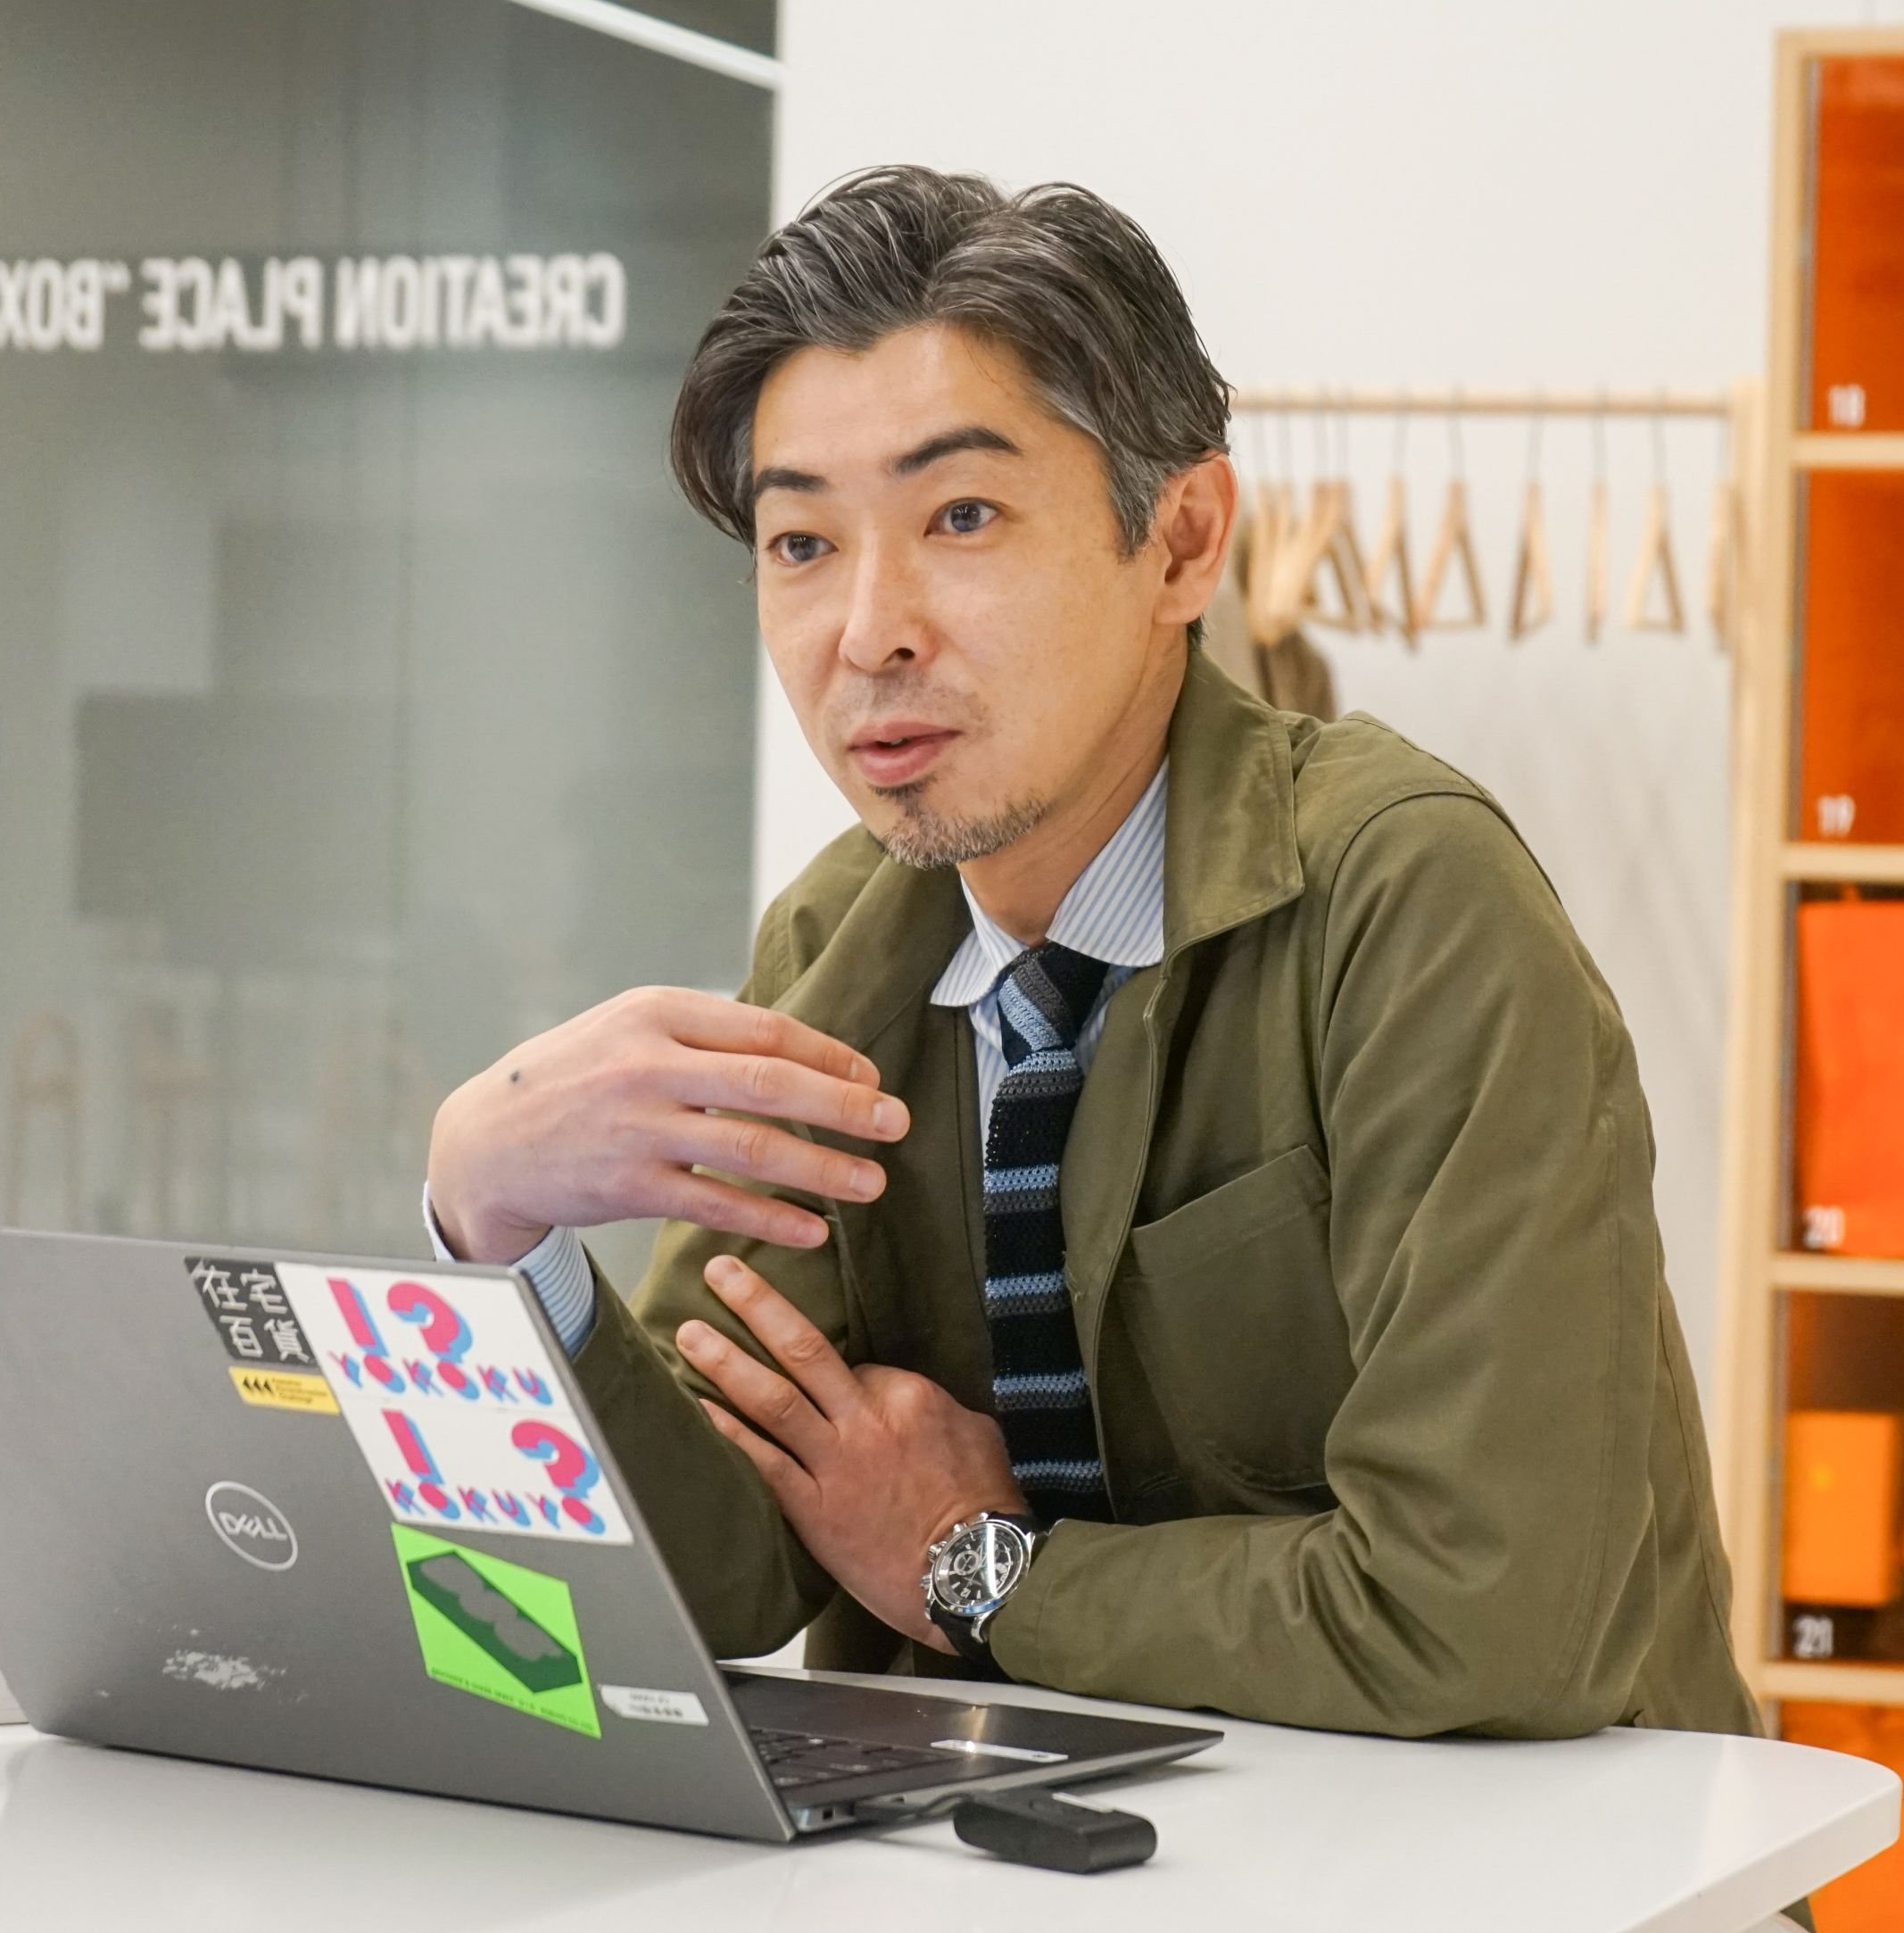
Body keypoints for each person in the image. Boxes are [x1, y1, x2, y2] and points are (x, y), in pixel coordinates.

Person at [420, 168, 1754, 1744]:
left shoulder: (1405, 895)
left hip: (1534, 1851)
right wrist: (496, 1226)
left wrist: (977, 1568)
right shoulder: (839, 939)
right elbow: (715, 1573)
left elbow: (1490, 1612)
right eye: (800, 541)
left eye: (961, 517)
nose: (868, 629)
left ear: (1181, 540)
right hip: (1061, 1833)